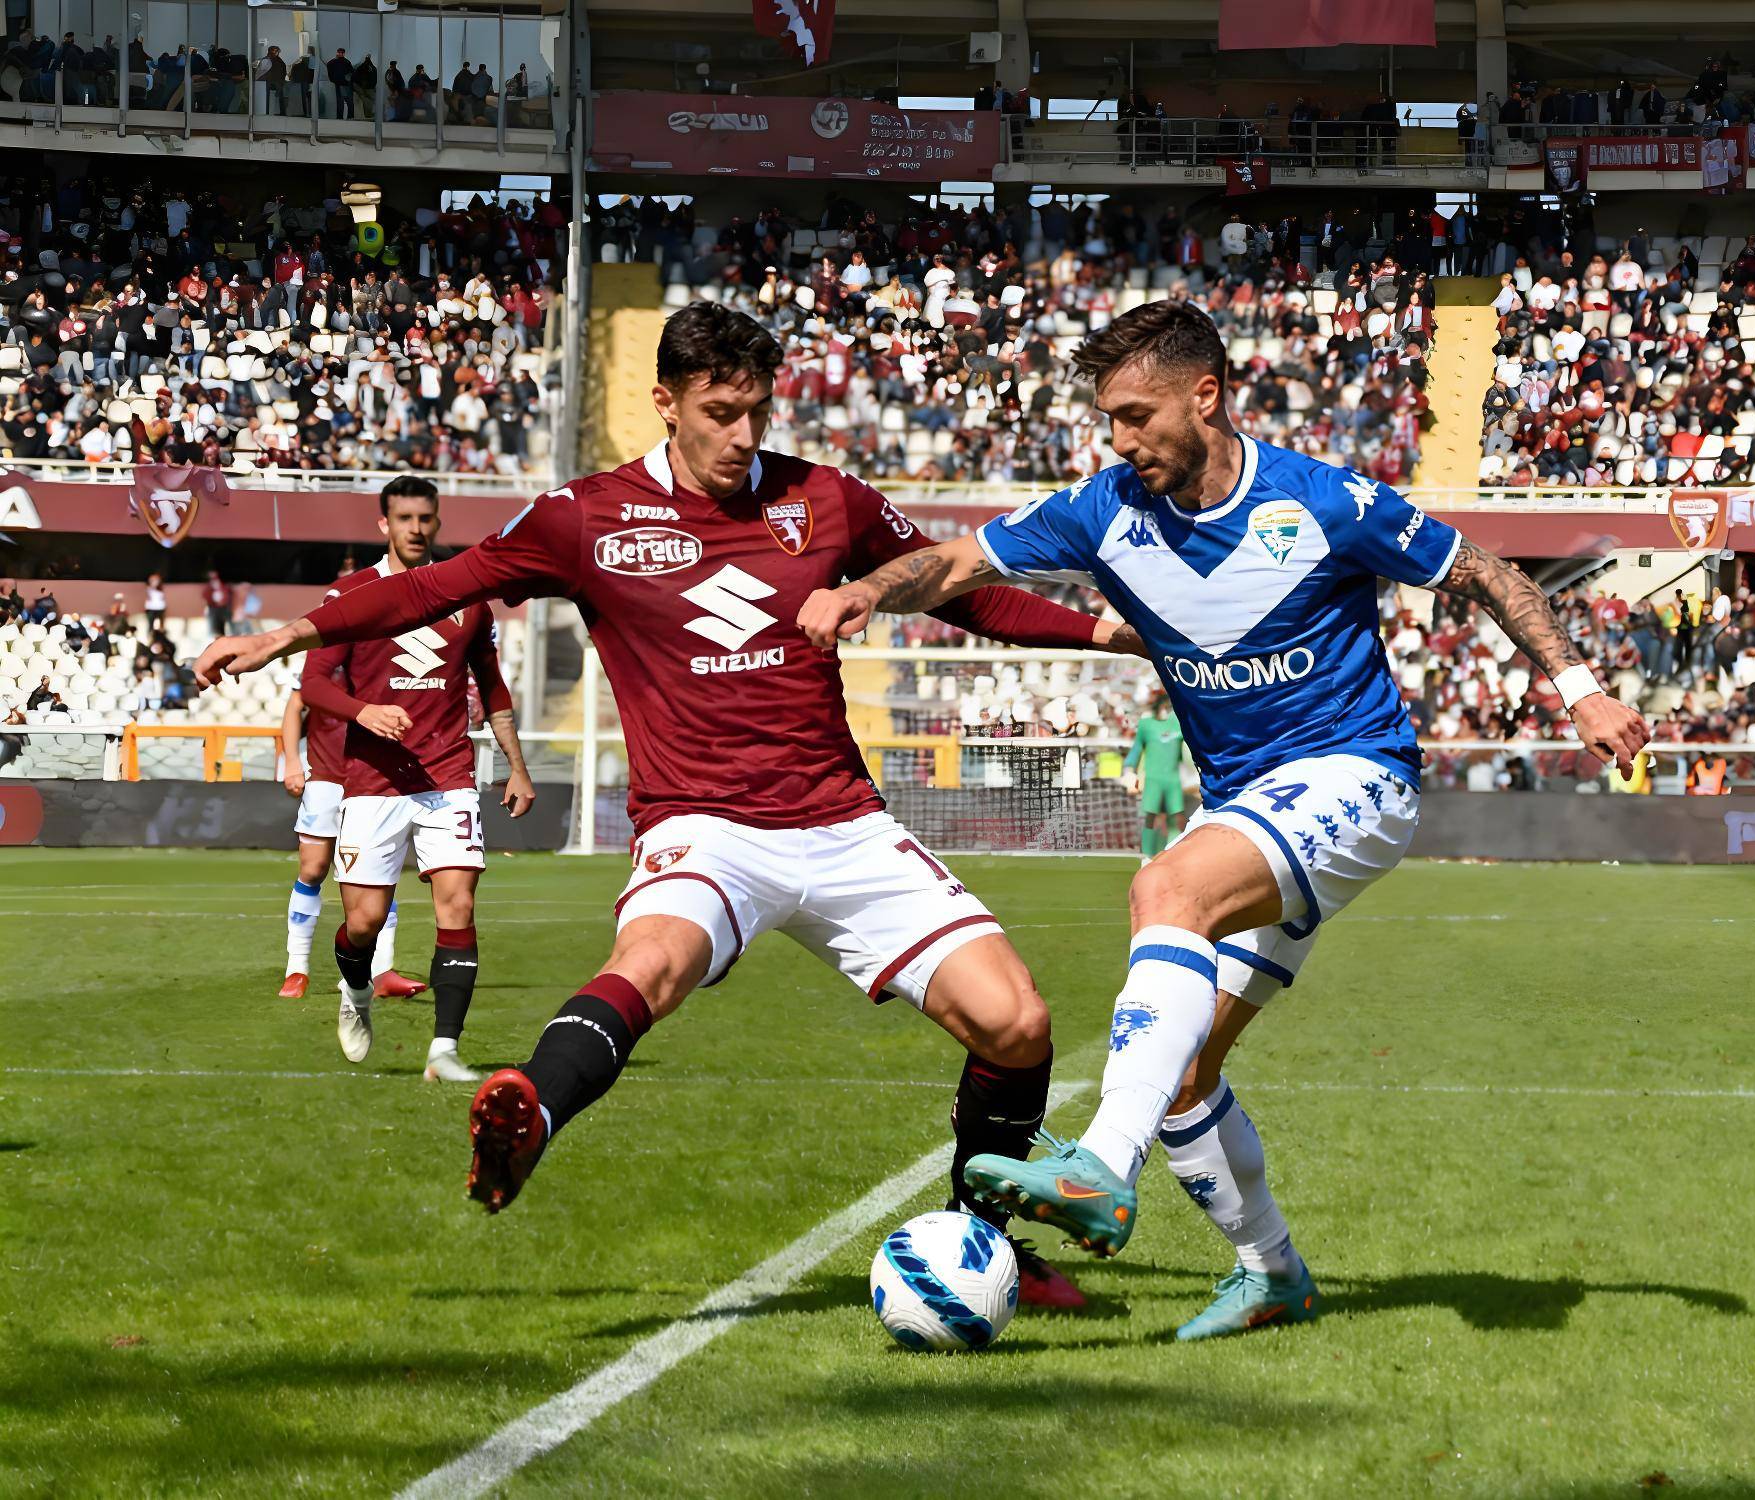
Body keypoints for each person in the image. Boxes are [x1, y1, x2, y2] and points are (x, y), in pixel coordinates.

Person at [193, 303, 1143, 1311]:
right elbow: (436, 586)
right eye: (720, 412)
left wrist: (1111, 635)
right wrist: (290, 635)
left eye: (758, 411)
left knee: (1016, 1022)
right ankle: (531, 1112)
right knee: (652, 962)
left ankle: (986, 1241)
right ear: (665, 402)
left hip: (843, 821)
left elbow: (959, 590)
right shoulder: (583, 516)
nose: (744, 434)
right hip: (703, 826)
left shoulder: (826, 497)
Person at [799, 300, 1648, 1340]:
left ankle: (1102, 1165)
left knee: (1167, 889)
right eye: (1108, 420)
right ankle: (1273, 1275)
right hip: (1247, 805)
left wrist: (1579, 690)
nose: (1120, 441)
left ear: (1205, 397)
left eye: (1135, 415)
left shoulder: (1322, 501)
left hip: (1355, 775)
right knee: (1184, 1073)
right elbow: (958, 563)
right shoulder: (1101, 510)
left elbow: (1483, 571)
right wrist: (867, 592)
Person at [296, 475, 536, 1081]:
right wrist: (363, 712)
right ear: (384, 524)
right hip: (372, 782)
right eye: (403, 518)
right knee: (364, 924)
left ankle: (443, 1051)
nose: (416, 528)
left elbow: (493, 686)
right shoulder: (351, 595)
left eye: (425, 518)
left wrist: (516, 766)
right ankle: (356, 992)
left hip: (448, 775)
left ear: (437, 521)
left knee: (458, 904)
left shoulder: (467, 597)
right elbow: (313, 684)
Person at [274, 673, 424, 1002]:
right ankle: (297, 968)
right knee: (313, 868)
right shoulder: (326, 655)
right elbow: (296, 703)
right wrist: (292, 761)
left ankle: (381, 971)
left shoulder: (386, 653)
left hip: (374, 779)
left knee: (376, 875)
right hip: (325, 776)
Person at [1123, 693, 1188, 863]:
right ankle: (1147, 856)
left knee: (1176, 819)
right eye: (1164, 706)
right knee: (1150, 818)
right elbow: (1136, 750)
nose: (1167, 710)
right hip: (1153, 780)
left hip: (1173, 780)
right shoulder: (1146, 725)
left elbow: (1189, 750)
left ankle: (1172, 857)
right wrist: (1129, 771)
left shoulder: (1179, 723)